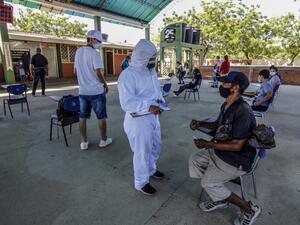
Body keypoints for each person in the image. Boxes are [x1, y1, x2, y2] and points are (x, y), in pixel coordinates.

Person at [189, 71, 261, 225]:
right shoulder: (227, 103)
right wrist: (200, 123)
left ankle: (249, 208)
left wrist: (208, 144)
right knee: (194, 161)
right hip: (222, 152)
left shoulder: (243, 112)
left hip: (237, 159)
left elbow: (237, 145)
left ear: (235, 88)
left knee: (207, 183)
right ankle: (219, 197)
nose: (221, 86)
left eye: (225, 83)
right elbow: (218, 125)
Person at [118, 39, 165, 195]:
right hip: (138, 120)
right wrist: (149, 106)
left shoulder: (150, 71)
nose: (153, 63)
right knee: (142, 152)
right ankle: (141, 182)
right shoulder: (127, 75)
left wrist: (161, 102)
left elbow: (156, 91)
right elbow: (127, 102)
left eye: (154, 59)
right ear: (141, 57)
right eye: (150, 59)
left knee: (155, 146)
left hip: (153, 117)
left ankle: (151, 170)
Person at [74, 30, 112, 151]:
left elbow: (75, 71)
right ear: (91, 39)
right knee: (101, 117)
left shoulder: (78, 52)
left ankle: (84, 142)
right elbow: (98, 73)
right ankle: (103, 140)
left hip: (83, 91)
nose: (100, 44)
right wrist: (105, 84)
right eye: (99, 41)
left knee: (82, 117)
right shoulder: (95, 53)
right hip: (96, 91)